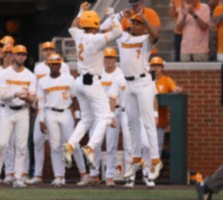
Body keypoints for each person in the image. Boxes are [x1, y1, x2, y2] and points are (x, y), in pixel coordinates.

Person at [101, 9, 162, 180]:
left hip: (143, 82)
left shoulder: (145, 39)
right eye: (133, 22)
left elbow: (156, 36)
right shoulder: (123, 36)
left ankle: (156, 161)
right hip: (128, 83)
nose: (134, 25)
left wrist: (144, 18)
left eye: (138, 23)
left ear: (144, 28)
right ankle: (136, 158)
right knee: (132, 123)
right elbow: (103, 28)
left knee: (148, 122)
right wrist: (120, 15)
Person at [62, 4, 123, 170]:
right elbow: (118, 33)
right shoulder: (95, 39)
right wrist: (113, 17)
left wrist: (80, 11)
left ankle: (70, 145)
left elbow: (72, 26)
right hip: (91, 81)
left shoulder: (79, 34)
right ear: (95, 24)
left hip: (79, 82)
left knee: (87, 119)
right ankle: (90, 147)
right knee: (105, 117)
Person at [0, 45, 36, 188]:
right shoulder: (3, 74)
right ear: (13, 56)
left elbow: (33, 98)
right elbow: (1, 96)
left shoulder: (30, 75)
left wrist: (26, 98)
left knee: (21, 146)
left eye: (23, 54)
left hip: (22, 111)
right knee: (1, 144)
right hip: (6, 111)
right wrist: (15, 94)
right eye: (18, 54)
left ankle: (18, 178)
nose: (20, 57)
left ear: (25, 57)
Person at [37, 53, 87, 187]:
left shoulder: (69, 79)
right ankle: (59, 176)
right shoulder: (42, 81)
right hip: (50, 113)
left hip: (65, 113)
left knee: (73, 143)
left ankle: (84, 174)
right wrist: (41, 120)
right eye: (53, 64)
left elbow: (75, 99)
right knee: (54, 146)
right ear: (48, 65)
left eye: (57, 64)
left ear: (60, 65)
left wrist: (77, 116)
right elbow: (41, 103)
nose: (55, 67)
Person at [26, 41, 71, 185]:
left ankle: (61, 175)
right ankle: (38, 175)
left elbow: (68, 88)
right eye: (46, 49)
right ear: (42, 52)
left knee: (61, 143)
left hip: (60, 108)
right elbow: (34, 89)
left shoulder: (63, 66)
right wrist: (34, 102)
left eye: (51, 48)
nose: (48, 51)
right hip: (43, 108)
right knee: (38, 141)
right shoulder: (38, 67)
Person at [150, 56, 182, 157]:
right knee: (146, 147)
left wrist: (177, 89)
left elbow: (174, 88)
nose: (155, 68)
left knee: (157, 146)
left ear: (162, 67)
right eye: (153, 66)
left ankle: (154, 171)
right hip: (146, 119)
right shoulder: (146, 80)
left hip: (160, 121)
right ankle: (147, 171)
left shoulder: (166, 80)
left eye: (158, 66)